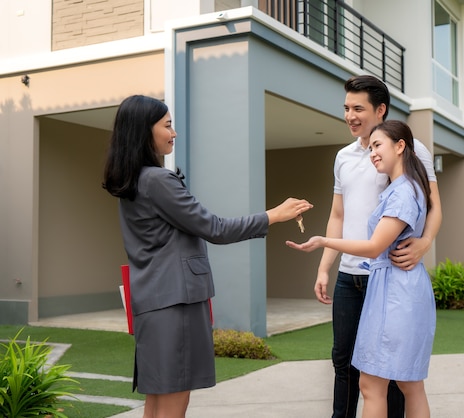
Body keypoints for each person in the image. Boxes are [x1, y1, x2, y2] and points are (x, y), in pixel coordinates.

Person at [102, 94, 313, 418]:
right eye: (168, 126)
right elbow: (215, 228)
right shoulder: (159, 180)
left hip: (152, 302)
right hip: (176, 303)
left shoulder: (132, 183)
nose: (173, 133)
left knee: (157, 400)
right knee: (174, 402)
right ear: (146, 131)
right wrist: (274, 214)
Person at [288, 120, 436, 418]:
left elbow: (373, 247)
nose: (372, 154)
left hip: (395, 293)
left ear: (400, 146)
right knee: (407, 384)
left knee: (373, 384)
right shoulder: (403, 188)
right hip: (397, 289)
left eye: (378, 146)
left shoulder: (403, 192)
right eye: (370, 148)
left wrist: (323, 241)